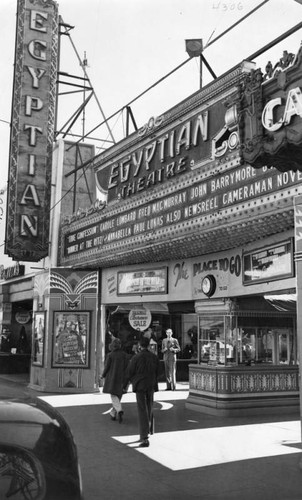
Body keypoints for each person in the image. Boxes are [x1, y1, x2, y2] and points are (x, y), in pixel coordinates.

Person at [125, 336, 159, 447]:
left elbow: (129, 372)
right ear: (149, 345)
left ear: (140, 345)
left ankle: (144, 436)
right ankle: (150, 429)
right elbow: (159, 371)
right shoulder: (154, 357)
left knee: (142, 409)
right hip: (151, 384)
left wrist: (132, 380)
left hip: (140, 385)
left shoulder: (136, 358)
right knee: (150, 406)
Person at [101, 338, 129, 423]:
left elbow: (107, 367)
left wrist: (103, 375)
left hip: (112, 377)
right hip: (122, 378)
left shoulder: (110, 355)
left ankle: (119, 410)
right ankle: (113, 413)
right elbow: (127, 367)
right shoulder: (125, 355)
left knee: (113, 395)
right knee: (118, 395)